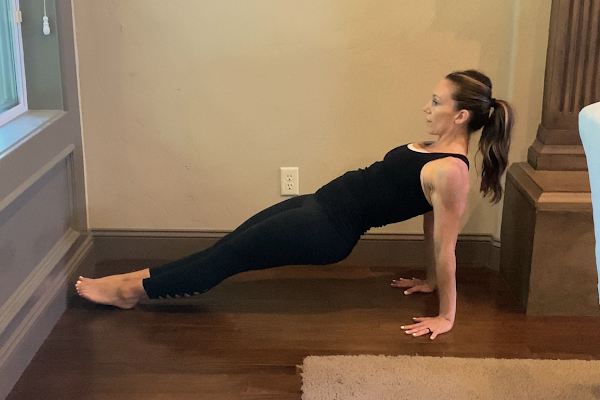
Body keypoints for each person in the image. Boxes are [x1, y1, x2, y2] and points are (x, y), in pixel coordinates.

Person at [76, 69, 513, 340]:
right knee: (225, 247)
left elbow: (446, 246)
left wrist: (446, 315)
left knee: (226, 260)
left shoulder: (452, 173)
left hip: (327, 231)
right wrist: (430, 283)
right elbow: (428, 219)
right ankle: (138, 280)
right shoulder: (437, 150)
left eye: (436, 102)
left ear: (461, 115)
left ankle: (130, 292)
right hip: (319, 205)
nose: (427, 106)